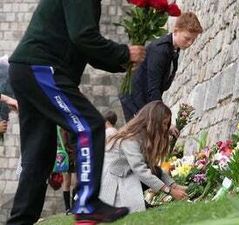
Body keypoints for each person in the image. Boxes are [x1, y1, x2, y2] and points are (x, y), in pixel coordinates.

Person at [6, 0, 146, 224]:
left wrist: (122, 62)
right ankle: (86, 204)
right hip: (41, 67)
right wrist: (123, 52)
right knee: (89, 126)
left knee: (39, 155)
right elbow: (83, 36)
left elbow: (84, 46)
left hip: (28, 68)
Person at [99, 101, 187, 213]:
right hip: (113, 182)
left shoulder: (142, 136)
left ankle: (140, 201)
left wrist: (174, 185)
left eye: (167, 124)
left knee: (155, 171)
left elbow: (153, 168)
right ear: (154, 121)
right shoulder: (131, 138)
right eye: (164, 124)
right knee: (147, 174)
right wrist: (170, 191)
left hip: (126, 174)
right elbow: (140, 170)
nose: (165, 128)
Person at [120, 12, 203, 122]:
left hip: (145, 102)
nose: (189, 43)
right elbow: (153, 89)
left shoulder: (173, 48)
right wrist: (164, 120)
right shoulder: (160, 50)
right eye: (187, 38)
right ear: (176, 30)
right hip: (135, 101)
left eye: (193, 40)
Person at [59, 128, 77, 215]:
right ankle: (68, 208)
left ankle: (73, 207)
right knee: (67, 182)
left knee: (74, 182)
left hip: (72, 156)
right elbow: (64, 143)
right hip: (66, 157)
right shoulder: (63, 128)